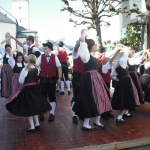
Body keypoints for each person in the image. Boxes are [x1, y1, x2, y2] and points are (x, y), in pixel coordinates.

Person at [73, 29, 112, 130]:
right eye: (94, 44)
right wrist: (83, 34)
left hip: (97, 79)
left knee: (100, 98)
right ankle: (86, 124)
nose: (95, 45)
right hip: (90, 79)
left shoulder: (94, 57)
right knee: (90, 99)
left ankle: (96, 121)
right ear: (90, 46)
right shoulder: (86, 56)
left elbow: (103, 70)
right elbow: (82, 43)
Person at [4, 54, 51, 133]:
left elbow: (21, 80)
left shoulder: (26, 68)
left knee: (28, 107)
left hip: (27, 89)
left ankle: (32, 127)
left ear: (28, 60)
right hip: (35, 88)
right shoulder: (37, 68)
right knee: (34, 106)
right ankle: (37, 124)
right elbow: (36, 76)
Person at [111, 48, 140, 124]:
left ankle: (123, 115)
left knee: (124, 99)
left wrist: (118, 80)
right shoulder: (122, 63)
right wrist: (124, 48)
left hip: (121, 82)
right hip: (126, 82)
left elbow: (112, 75)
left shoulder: (116, 67)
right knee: (128, 99)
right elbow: (126, 54)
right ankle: (119, 117)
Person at [36, 42, 62, 122]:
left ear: (50, 49)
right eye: (43, 48)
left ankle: (52, 113)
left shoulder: (55, 57)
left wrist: (60, 78)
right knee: (42, 96)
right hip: (43, 79)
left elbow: (59, 67)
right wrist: (38, 72)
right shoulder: (41, 56)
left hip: (52, 79)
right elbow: (36, 66)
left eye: (45, 48)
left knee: (52, 96)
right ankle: (41, 112)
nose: (44, 50)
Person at [71, 39, 85, 124]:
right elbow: (76, 48)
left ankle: (81, 112)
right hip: (77, 76)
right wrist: (80, 40)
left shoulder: (85, 52)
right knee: (76, 96)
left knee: (83, 96)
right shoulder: (76, 52)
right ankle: (74, 115)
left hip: (85, 76)